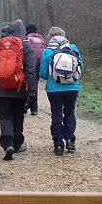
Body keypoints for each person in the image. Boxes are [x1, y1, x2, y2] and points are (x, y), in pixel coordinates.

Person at [0, 20, 38, 160]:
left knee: (5, 116)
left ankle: (7, 142)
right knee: (18, 115)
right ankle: (16, 143)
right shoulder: (26, 46)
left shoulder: (0, 45)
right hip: (20, 88)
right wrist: (33, 93)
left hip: (2, 88)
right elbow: (32, 71)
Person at [39, 26, 84, 156]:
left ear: (50, 37)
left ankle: (58, 144)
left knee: (56, 114)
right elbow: (82, 67)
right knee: (69, 112)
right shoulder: (73, 48)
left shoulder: (48, 52)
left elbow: (42, 74)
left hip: (54, 90)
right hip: (72, 87)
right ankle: (70, 139)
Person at [23, 24, 46, 116]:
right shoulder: (41, 38)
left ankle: (27, 104)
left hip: (30, 64)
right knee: (34, 85)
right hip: (39, 64)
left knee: (27, 85)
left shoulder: (27, 38)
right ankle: (34, 108)